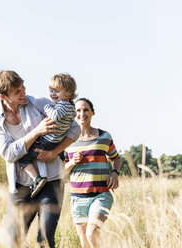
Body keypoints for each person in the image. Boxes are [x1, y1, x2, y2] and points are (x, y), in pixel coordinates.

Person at [0, 70, 81, 248]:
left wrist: (54, 153)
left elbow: (75, 129)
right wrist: (37, 132)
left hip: (51, 182)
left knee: (44, 242)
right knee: (14, 242)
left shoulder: (40, 103)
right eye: (17, 92)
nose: (23, 93)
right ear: (3, 96)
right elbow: (8, 153)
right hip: (20, 188)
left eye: (23, 87)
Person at [64, 98, 121, 248]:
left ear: (92, 112)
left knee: (92, 233)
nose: (82, 113)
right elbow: (60, 171)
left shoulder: (104, 137)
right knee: (85, 243)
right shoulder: (66, 141)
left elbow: (115, 158)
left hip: (101, 195)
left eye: (85, 110)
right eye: (78, 110)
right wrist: (72, 162)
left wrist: (114, 172)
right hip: (77, 198)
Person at [18, 73, 77, 198]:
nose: (53, 94)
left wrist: (47, 107)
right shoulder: (71, 106)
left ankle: (37, 179)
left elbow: (54, 116)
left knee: (22, 158)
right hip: (57, 140)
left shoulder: (62, 105)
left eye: (57, 91)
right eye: (51, 91)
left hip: (48, 139)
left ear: (68, 92)